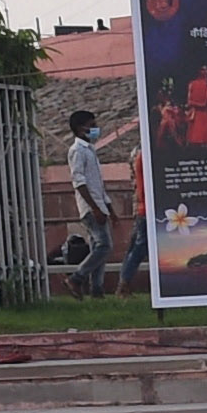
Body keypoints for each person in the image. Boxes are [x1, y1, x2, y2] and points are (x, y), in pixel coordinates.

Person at [60, 109, 120, 291]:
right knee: (105, 246)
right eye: (92, 126)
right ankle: (76, 278)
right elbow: (79, 182)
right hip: (90, 207)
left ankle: (97, 289)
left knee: (97, 248)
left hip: (99, 205)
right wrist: (94, 208)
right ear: (80, 129)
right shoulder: (77, 151)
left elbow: (98, 186)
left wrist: (110, 210)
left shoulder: (90, 150)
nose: (96, 129)